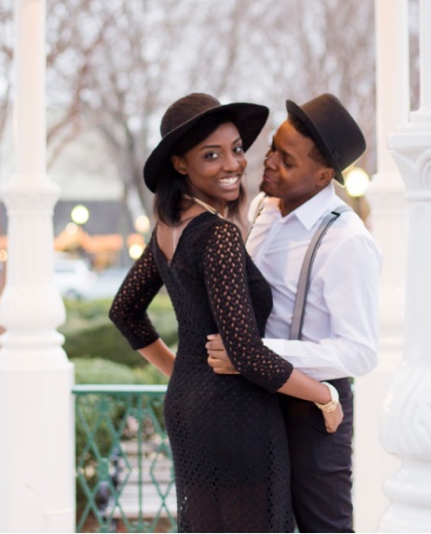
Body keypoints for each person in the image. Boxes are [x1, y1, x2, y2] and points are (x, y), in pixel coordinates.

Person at [108, 93, 344, 533]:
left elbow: (125, 313)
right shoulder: (217, 236)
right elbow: (247, 354)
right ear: (181, 165)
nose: (233, 164)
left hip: (188, 407)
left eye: (237, 149)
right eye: (211, 155)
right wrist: (323, 395)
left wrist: (185, 372)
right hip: (236, 417)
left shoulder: (168, 226)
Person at [206, 93, 383, 533]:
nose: (267, 163)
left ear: (324, 176)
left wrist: (253, 353)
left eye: (286, 160)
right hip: (254, 400)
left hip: (314, 412)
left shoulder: (348, 241)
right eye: (271, 149)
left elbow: (360, 352)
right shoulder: (263, 210)